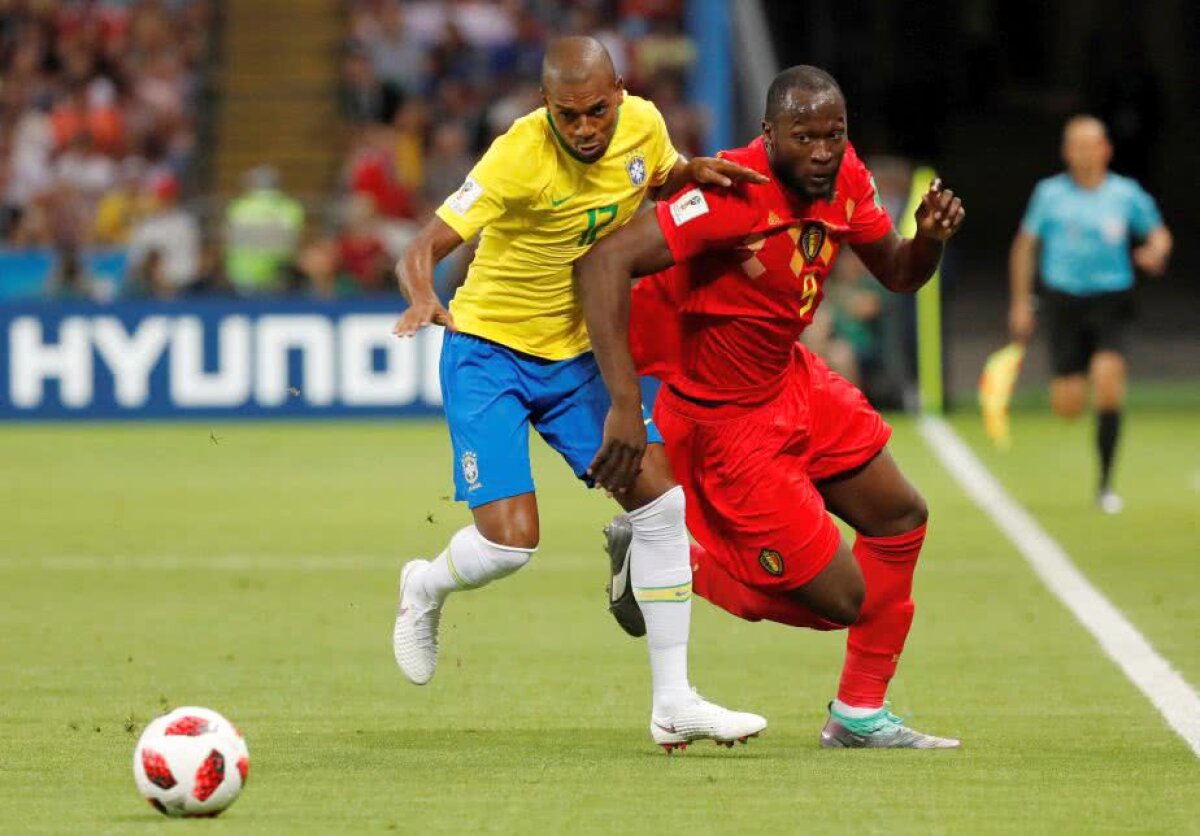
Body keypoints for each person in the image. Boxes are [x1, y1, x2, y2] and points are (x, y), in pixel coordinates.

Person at [390, 37, 767, 750]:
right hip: (489, 353)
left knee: (661, 507)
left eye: (597, 110)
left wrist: (692, 172)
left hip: (573, 360)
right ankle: (424, 587)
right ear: (546, 107)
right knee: (510, 547)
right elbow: (422, 247)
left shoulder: (645, 124)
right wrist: (421, 297)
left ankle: (674, 704)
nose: (586, 128)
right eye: (569, 116)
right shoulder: (516, 155)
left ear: (619, 94)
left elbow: (658, 174)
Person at [575, 65, 965, 748]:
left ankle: (858, 716)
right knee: (844, 602)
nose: (822, 150)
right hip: (725, 422)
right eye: (804, 136)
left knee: (901, 516)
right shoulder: (730, 192)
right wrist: (623, 403)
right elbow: (606, 263)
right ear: (769, 135)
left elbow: (899, 274)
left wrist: (927, 238)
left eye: (834, 134)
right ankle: (669, 561)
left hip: (793, 382)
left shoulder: (845, 178)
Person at [1008, 116, 1172, 514]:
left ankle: (1105, 484)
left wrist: (1156, 251)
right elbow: (1025, 247)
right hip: (1064, 301)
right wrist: (1020, 302)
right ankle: (1070, 383)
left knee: (1109, 380)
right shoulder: (1049, 195)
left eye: (1091, 144)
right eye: (1075, 144)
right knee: (1068, 405)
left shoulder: (1125, 193)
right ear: (1066, 151)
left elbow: (1158, 232)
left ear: (1106, 149)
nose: (1083, 152)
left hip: (1110, 300)